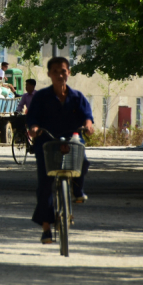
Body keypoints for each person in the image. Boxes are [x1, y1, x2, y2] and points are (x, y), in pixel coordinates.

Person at [26, 57, 94, 245]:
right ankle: (46, 228)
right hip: (47, 142)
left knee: (84, 161)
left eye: (63, 71)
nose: (59, 75)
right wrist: (33, 128)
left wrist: (88, 126)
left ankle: (77, 189)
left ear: (69, 72)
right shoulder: (41, 97)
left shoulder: (77, 97)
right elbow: (32, 119)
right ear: (49, 74)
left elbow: (87, 117)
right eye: (55, 71)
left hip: (72, 138)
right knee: (45, 185)